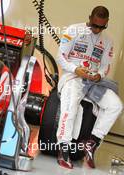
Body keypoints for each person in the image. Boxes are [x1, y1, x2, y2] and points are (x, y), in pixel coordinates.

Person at [56, 6, 123, 169]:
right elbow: (61, 57)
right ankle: (63, 149)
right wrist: (75, 69)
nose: (97, 29)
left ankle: (92, 142)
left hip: (93, 82)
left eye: (102, 26)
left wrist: (99, 75)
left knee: (116, 106)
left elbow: (105, 66)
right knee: (70, 106)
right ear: (90, 18)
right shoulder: (73, 30)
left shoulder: (108, 41)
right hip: (73, 77)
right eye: (95, 25)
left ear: (106, 23)